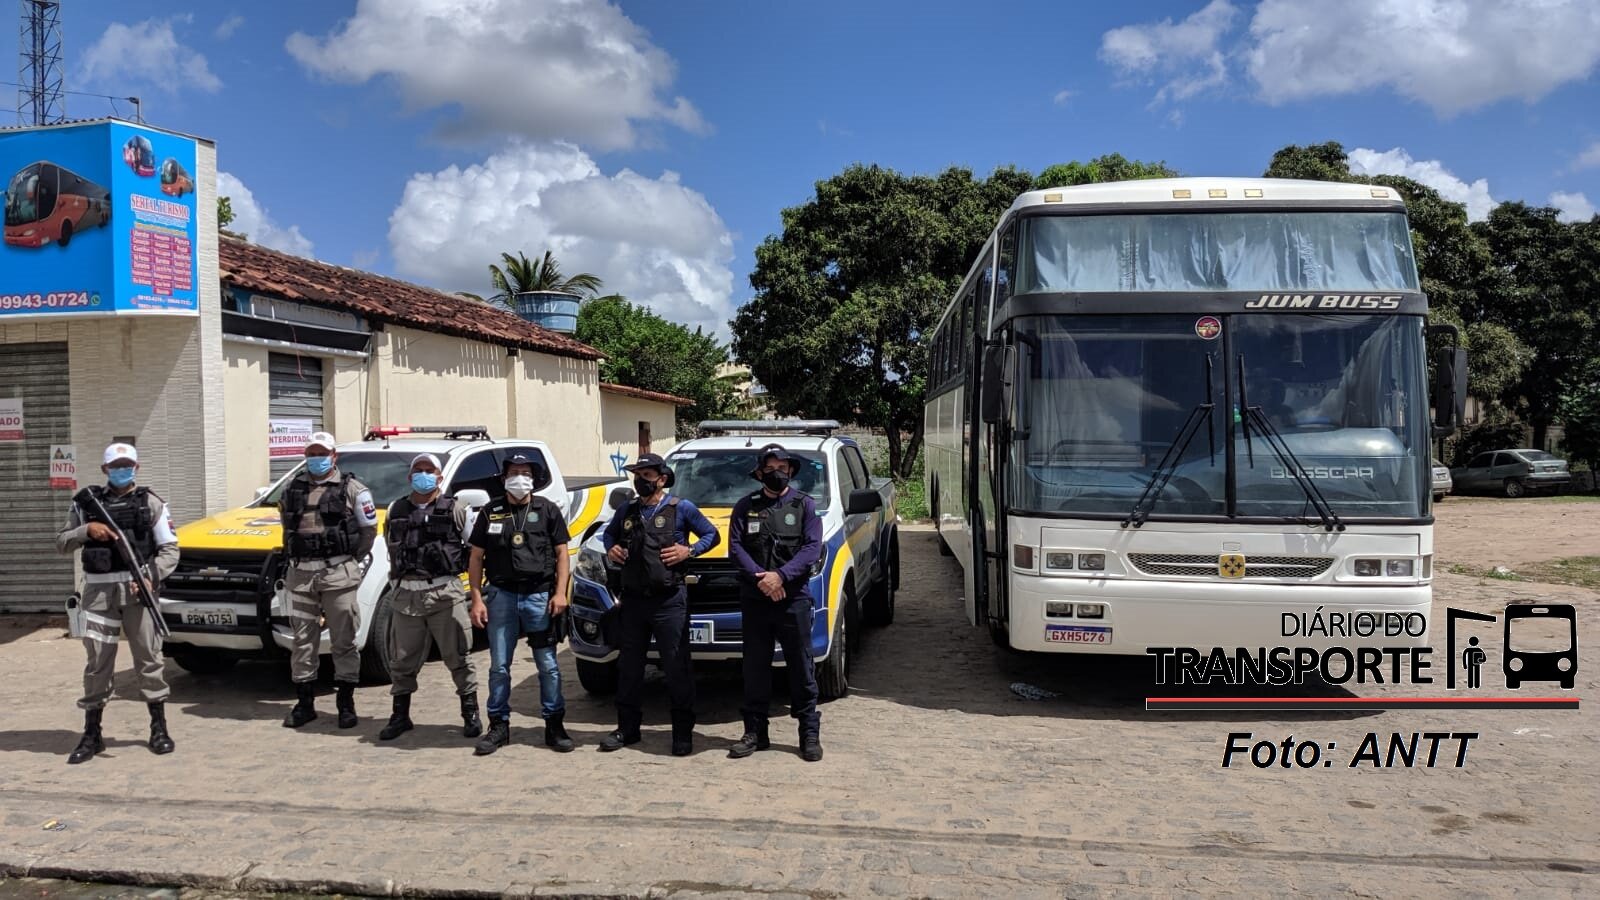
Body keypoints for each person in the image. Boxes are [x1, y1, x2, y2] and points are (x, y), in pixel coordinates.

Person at [56, 443, 180, 764]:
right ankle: (92, 733)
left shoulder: (150, 503)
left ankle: (159, 728)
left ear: (136, 468)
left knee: (149, 659)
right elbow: (62, 541)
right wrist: (86, 530)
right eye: (116, 465)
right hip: (98, 595)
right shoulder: (85, 504)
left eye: (127, 465)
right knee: (98, 663)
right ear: (104, 470)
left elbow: (170, 549)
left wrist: (152, 575)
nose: (122, 470)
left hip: (138, 592)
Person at [599, 453, 719, 756]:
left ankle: (682, 733)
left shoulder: (681, 508)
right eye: (637, 474)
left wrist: (688, 551)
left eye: (648, 474)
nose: (641, 479)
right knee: (629, 668)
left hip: (669, 601)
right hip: (633, 602)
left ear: (662, 479)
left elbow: (712, 535)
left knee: (677, 668)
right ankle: (627, 729)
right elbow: (610, 535)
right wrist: (611, 547)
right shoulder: (627, 510)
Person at [467, 453, 575, 755]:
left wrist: (560, 592)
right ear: (505, 478)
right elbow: (475, 557)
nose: (520, 477)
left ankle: (554, 724)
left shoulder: (547, 509)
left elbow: (562, 554)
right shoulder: (491, 511)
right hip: (501, 596)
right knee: (499, 666)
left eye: (525, 472)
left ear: (533, 479)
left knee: (548, 665)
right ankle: (498, 726)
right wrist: (477, 598)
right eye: (514, 472)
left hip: (539, 597)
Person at [727, 444, 826, 762]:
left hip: (792, 599)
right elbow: (736, 548)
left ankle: (808, 732)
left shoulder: (804, 506)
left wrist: (780, 577)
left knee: (800, 666)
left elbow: (812, 548)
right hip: (756, 599)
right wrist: (762, 579)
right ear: (759, 474)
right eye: (770, 469)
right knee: (755, 667)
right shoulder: (745, 507)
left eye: (782, 467)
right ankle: (755, 731)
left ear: (791, 471)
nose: (777, 473)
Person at [378, 453, 481, 742]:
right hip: (406, 596)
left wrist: (475, 591)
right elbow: (391, 546)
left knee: (458, 655)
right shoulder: (396, 509)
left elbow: (475, 550)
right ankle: (400, 715)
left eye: (430, 470)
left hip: (444, 594)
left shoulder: (457, 509)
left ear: (439, 476)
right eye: (418, 470)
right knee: (402, 659)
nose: (424, 475)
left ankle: (470, 713)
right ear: (410, 477)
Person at [279, 432, 378, 730]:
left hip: (338, 575)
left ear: (334, 456)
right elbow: (287, 528)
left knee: (344, 640)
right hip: (301, 577)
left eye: (322, 453)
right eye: (311, 452)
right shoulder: (291, 488)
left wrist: (346, 560)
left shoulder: (354, 490)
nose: (316, 458)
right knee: (302, 641)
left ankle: (345, 703)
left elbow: (367, 532)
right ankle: (305, 703)